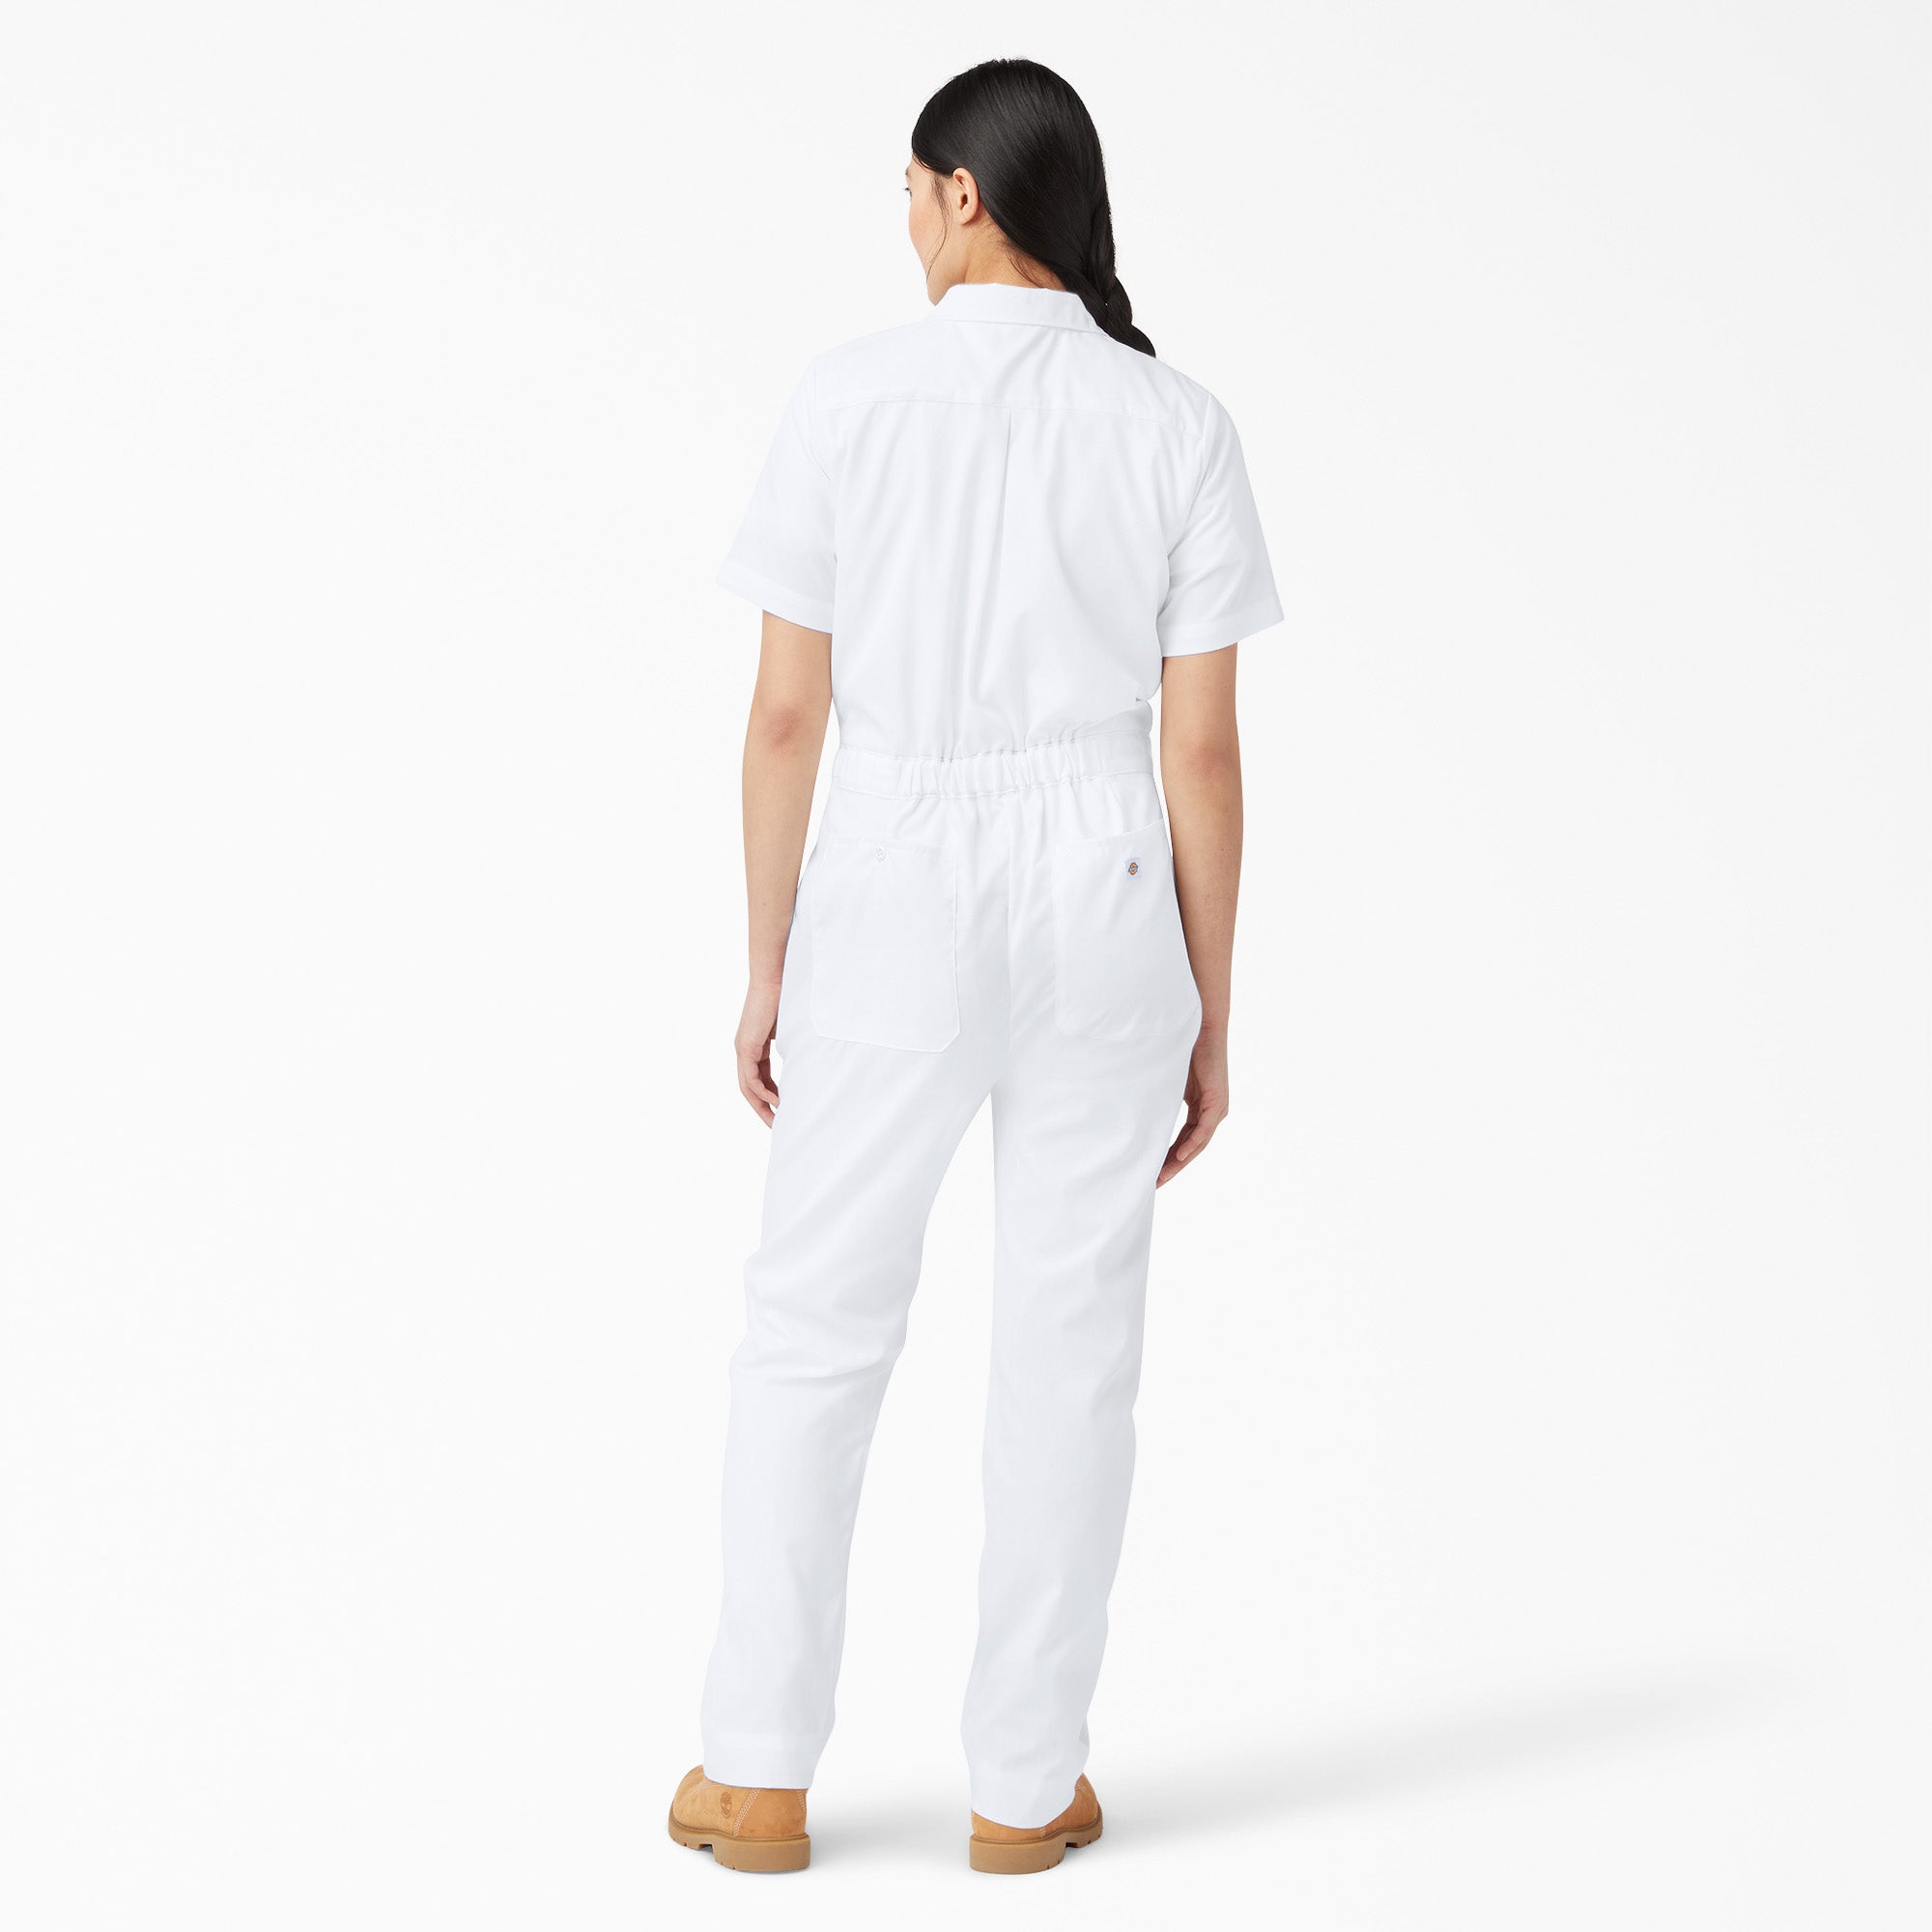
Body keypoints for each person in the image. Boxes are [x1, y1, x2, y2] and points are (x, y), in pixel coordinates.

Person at [668, 57, 1282, 1876]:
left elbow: (788, 720)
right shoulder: (1178, 424)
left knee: (813, 1326)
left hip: (890, 883)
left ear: (960, 194)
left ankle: (757, 1776)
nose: (909, 226)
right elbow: (1203, 756)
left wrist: (767, 962)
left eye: (911, 194)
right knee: (1071, 1349)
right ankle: (1023, 1788)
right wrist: (1210, 1005)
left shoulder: (848, 399)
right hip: (1108, 889)